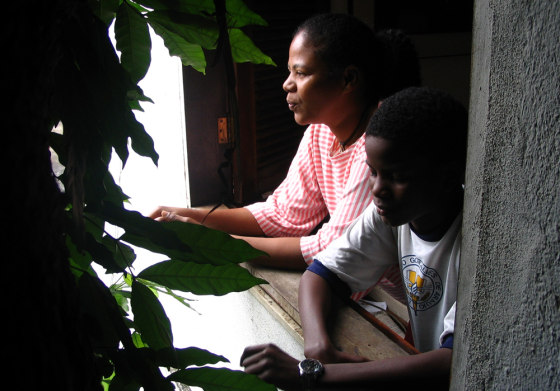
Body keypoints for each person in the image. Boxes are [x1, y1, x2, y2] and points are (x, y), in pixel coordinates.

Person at [149, 14, 420, 282]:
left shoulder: (378, 146)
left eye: (301, 72)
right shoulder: (321, 133)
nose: (287, 84)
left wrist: (212, 242)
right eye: (290, 71)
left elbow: (333, 248)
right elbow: (282, 213)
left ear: (348, 79)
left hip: (409, 303)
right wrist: (185, 215)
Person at [240, 86, 468, 389]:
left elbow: (451, 362)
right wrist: (318, 347)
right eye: (373, 172)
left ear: (449, 177)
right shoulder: (390, 216)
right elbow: (320, 276)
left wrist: (310, 375)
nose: (377, 190)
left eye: (397, 177)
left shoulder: (476, 243)